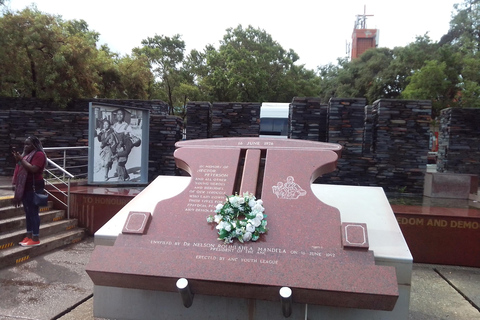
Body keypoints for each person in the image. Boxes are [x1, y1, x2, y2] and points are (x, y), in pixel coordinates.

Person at [11, 136, 47, 247]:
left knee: (33, 212)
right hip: (25, 187)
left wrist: (21, 159)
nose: (25, 146)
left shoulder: (39, 155)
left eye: (28, 144)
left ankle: (35, 237)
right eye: (25, 144)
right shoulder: (26, 155)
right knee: (28, 212)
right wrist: (15, 184)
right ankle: (29, 235)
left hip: (34, 186)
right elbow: (19, 169)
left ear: (35, 145)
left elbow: (33, 169)